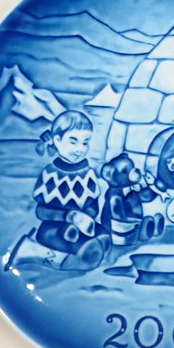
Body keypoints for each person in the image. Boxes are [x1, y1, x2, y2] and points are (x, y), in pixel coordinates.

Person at [29, 110, 107, 269]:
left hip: (83, 227)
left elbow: (93, 205)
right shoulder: (51, 173)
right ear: (57, 140)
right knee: (59, 237)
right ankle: (73, 253)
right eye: (73, 142)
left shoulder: (88, 173)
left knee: (103, 234)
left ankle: (85, 246)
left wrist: (87, 217)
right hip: (54, 226)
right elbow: (41, 211)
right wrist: (68, 216)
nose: (80, 149)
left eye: (85, 143)